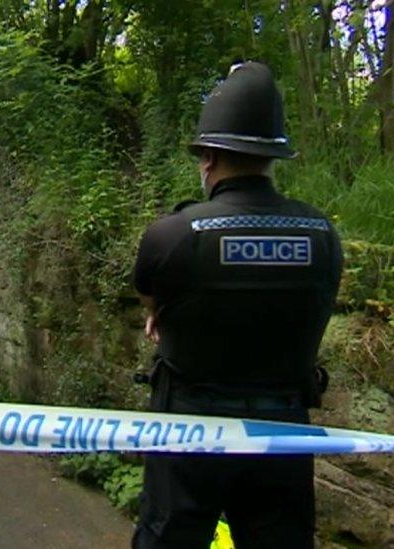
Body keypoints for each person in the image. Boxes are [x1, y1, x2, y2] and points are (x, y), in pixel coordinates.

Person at [131, 62, 343, 548]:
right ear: (273, 158)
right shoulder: (322, 234)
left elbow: (151, 297)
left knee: (171, 538)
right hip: (282, 428)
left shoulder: (174, 234)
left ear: (208, 158)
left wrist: (160, 313)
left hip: (189, 429)